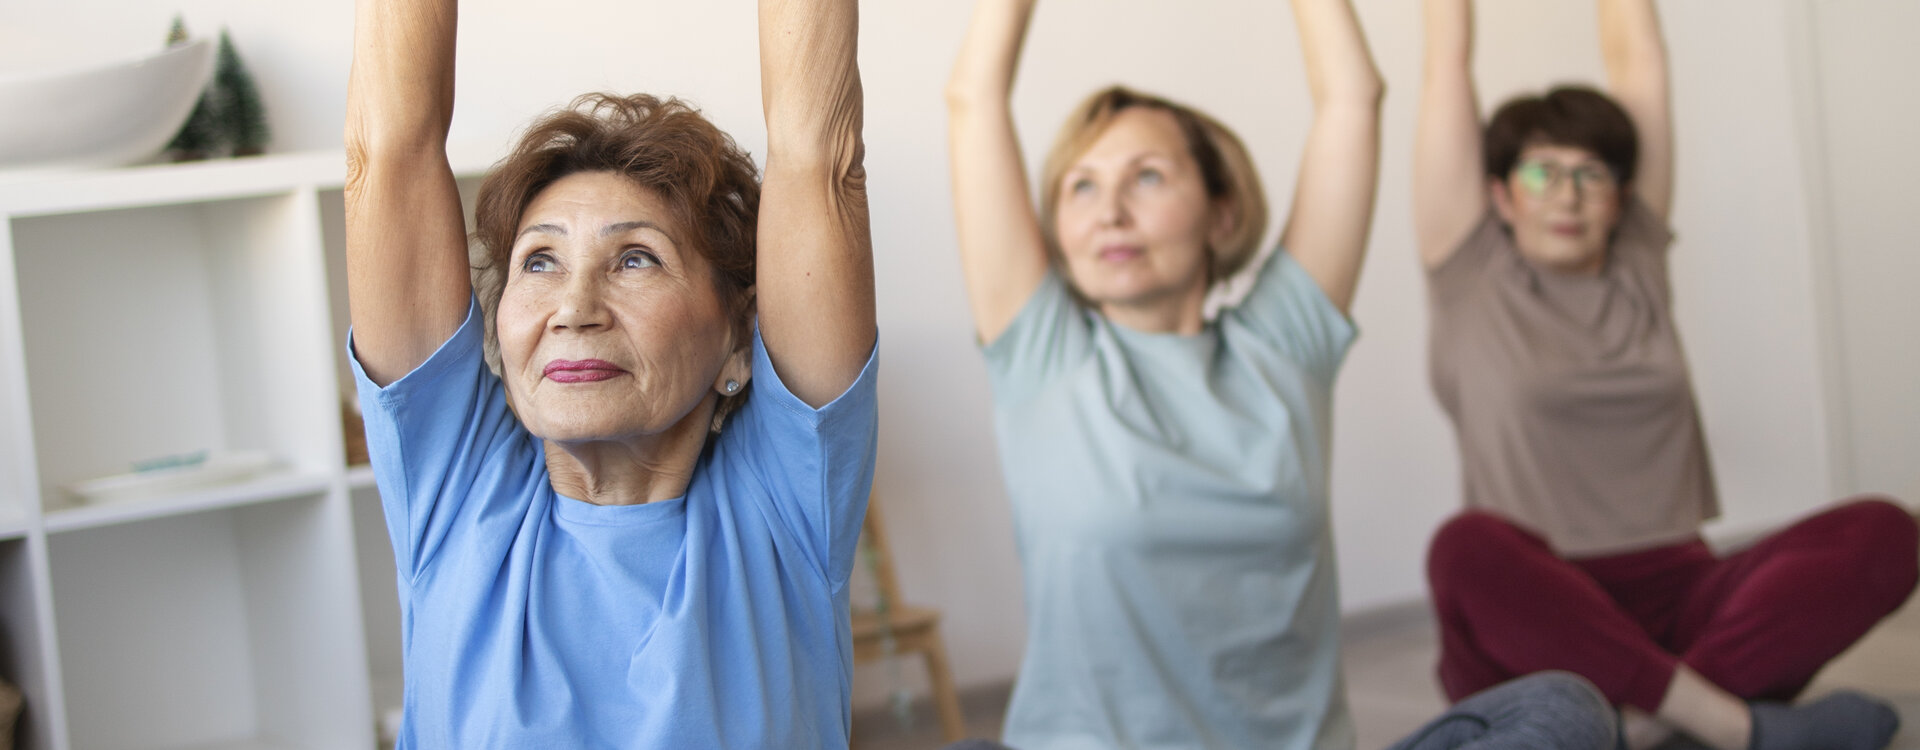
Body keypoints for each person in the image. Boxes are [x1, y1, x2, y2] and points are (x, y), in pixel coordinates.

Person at [945, 1, 1616, 748]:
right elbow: (974, 100)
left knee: (1562, 711)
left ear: (1222, 215)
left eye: (1148, 178)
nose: (1110, 212)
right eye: (1082, 186)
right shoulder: (1043, 356)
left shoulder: (1283, 347)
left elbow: (1351, 99)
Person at [342, 0, 876, 746]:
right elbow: (387, 154)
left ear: (740, 338)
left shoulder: (785, 503)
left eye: (635, 259)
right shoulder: (457, 488)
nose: (574, 307)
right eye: (540, 261)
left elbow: (822, 159)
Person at [1412, 1, 1920, 748]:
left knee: (1886, 533)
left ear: (1621, 197)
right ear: (1499, 194)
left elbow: (1639, 56)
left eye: (1592, 174)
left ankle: (1644, 728)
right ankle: (1727, 726)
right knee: (1465, 548)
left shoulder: (1637, 263)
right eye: (1542, 171)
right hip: (1539, 613)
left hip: (1680, 594)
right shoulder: (1470, 272)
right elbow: (1444, 61)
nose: (1569, 193)